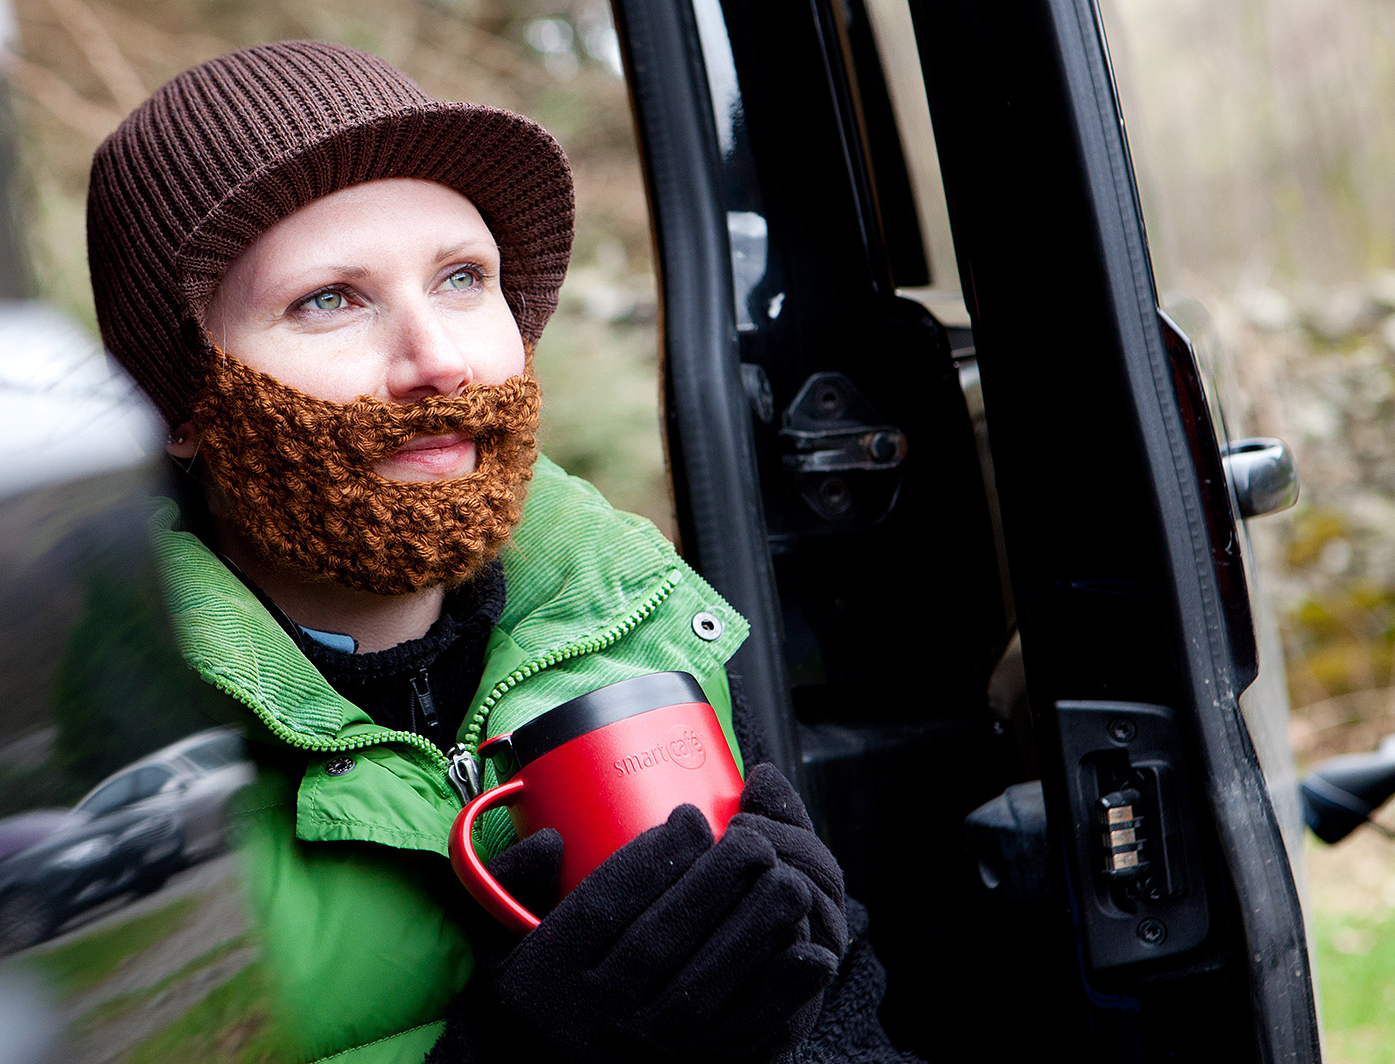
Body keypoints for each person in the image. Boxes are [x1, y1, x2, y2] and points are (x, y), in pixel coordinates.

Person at [86, 40, 918, 1064]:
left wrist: (797, 1012)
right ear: (178, 401)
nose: (435, 358)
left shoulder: (634, 615)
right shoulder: (105, 766)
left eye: (461, 277)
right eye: (328, 299)